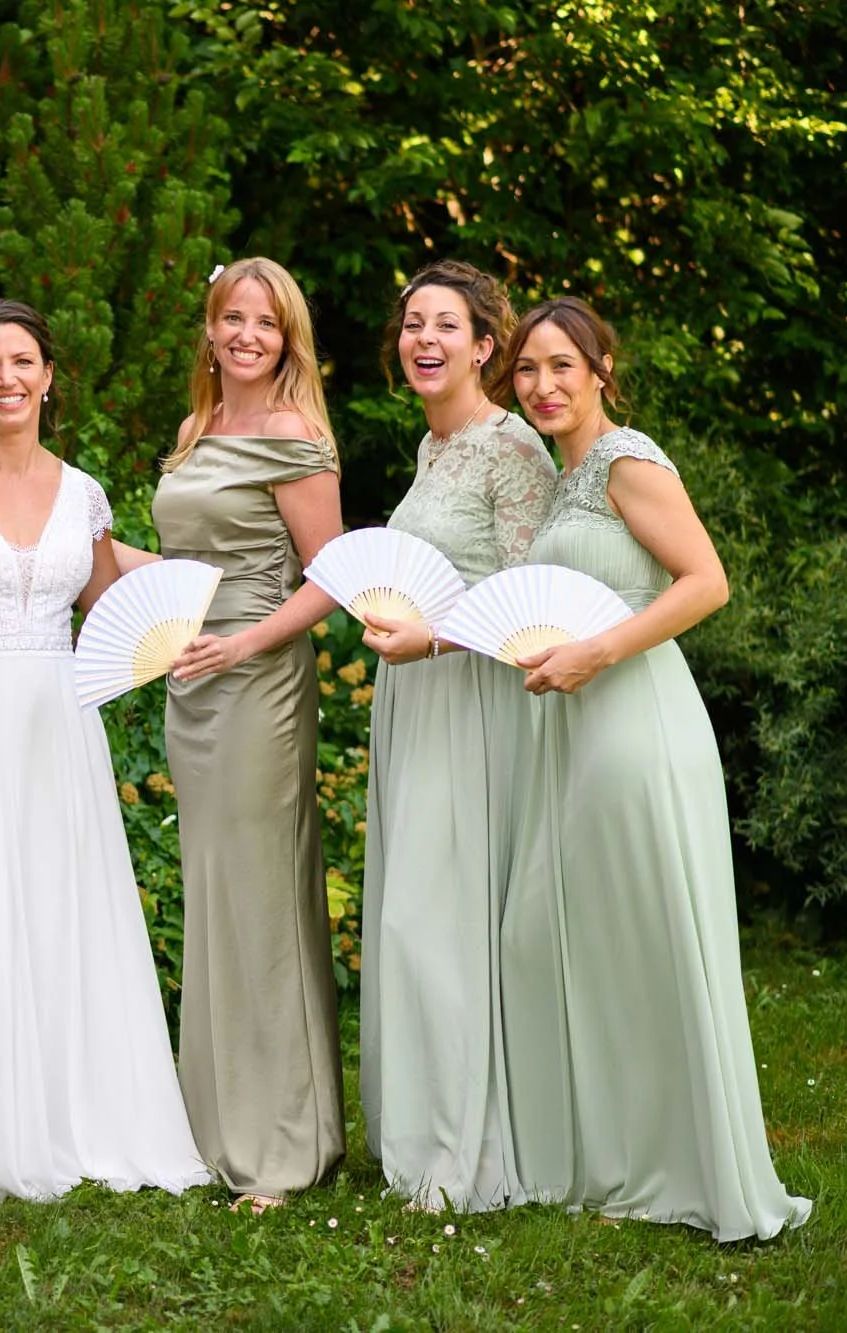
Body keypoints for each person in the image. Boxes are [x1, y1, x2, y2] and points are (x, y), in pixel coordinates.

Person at [0, 300, 210, 1204]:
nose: (7, 379)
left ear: (49, 376)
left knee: (63, 906)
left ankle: (78, 1113)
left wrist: (200, 593)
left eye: (23, 361)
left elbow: (107, 597)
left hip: (61, 722)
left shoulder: (84, 491)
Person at [498, 297, 811, 1240]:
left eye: (562, 366)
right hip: (570, 731)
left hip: (636, 717)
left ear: (600, 369)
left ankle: (690, 1170)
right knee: (570, 936)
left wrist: (597, 653)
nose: (544, 385)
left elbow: (706, 581)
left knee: (650, 932)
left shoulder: (627, 460)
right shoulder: (559, 483)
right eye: (526, 371)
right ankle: (621, 1160)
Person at [140, 257, 346, 1211]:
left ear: (287, 336)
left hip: (259, 680)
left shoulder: (294, 433)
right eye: (234, 318)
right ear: (211, 327)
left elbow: (330, 575)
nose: (249, 336)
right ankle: (216, 1125)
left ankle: (283, 1145)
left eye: (267, 323)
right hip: (195, 683)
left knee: (261, 894)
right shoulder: (196, 429)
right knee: (217, 888)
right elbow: (187, 559)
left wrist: (242, 646)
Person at [355, 261, 557, 1211]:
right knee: (415, 914)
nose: (423, 339)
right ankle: (429, 1127)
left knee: (443, 920)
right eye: (411, 324)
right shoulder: (436, 450)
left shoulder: (511, 449)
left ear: (485, 346)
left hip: (475, 702)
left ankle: (470, 1150)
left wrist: (429, 634)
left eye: (446, 325)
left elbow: (535, 601)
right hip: (417, 698)